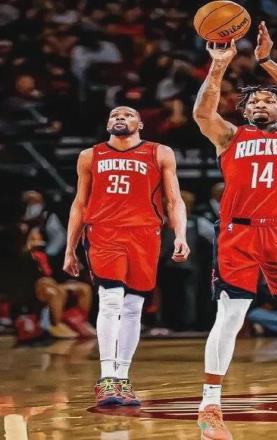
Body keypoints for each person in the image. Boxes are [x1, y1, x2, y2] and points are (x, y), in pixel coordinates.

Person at [193, 22, 277, 440]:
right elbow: (203, 113)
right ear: (245, 112)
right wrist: (219, 65)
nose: (260, 104)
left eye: (269, 100)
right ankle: (209, 407)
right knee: (230, 317)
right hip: (240, 234)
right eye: (253, 101)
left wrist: (267, 61)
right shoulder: (231, 137)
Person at [63, 106, 189, 406]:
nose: (120, 117)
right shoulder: (90, 155)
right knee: (110, 299)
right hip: (105, 232)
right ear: (108, 123)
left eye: (128, 115)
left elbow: (174, 200)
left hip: (145, 234)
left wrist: (180, 235)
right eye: (114, 115)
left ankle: (122, 377)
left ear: (140, 124)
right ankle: (106, 377)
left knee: (133, 307)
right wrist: (70, 248)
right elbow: (80, 204)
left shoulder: (160, 152)